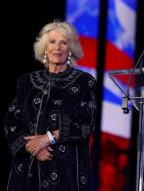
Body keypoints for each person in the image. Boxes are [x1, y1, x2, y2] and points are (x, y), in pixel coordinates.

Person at [3, 21, 97, 191]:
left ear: (70, 49)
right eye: (52, 42)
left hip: (67, 169)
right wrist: (34, 148)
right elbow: (12, 122)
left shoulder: (85, 82)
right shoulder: (25, 83)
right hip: (28, 168)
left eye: (64, 42)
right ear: (44, 48)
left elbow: (86, 124)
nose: (57, 47)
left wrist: (48, 138)